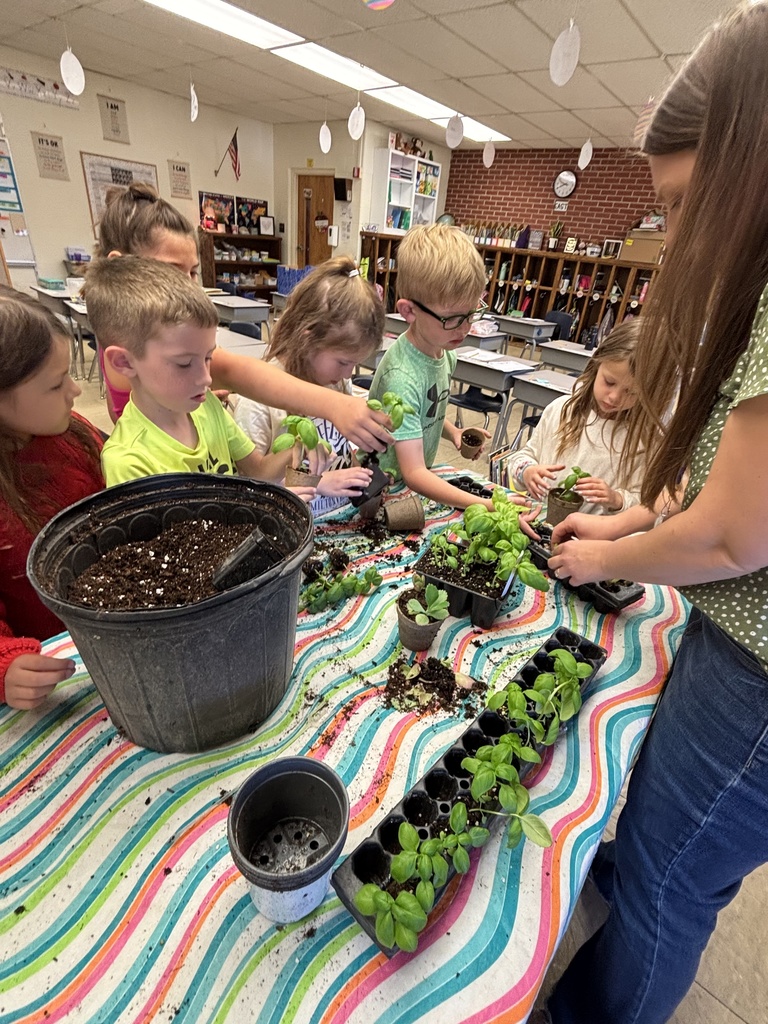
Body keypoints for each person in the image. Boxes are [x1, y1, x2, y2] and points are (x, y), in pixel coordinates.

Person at [543, 4, 768, 1022]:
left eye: (681, 205)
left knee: (669, 886)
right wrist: (627, 526)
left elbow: (730, 534)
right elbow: (720, 486)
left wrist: (602, 559)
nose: (672, 238)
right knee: (656, 849)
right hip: (738, 656)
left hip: (757, 682)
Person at [93, 183, 391, 454]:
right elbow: (243, 373)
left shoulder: (139, 337)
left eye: (193, 272)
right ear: (120, 268)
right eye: (171, 271)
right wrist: (336, 405)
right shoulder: (132, 344)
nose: (188, 286)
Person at [84, 255, 306, 492]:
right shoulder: (129, 462)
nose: (206, 378)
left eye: (208, 357)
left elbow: (259, 471)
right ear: (124, 362)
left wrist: (301, 445)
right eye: (184, 363)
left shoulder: (207, 406)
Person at [369, 223, 525, 511]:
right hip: (383, 489)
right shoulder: (401, 377)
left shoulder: (443, 351)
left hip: (409, 484)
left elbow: (426, 412)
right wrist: (485, 505)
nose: (465, 328)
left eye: (472, 313)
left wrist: (453, 432)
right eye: (452, 318)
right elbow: (415, 474)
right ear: (409, 311)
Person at [0, 288, 104, 709]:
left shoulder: (75, 434)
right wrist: (6, 668)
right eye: (57, 383)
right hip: (58, 668)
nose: (75, 390)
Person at [233, 256, 383, 515]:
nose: (348, 374)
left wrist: (364, 477)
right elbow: (251, 486)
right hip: (293, 522)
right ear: (308, 338)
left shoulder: (338, 384)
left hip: (337, 516)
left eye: (355, 364)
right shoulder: (258, 400)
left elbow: (341, 450)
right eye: (343, 362)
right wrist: (317, 482)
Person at [504, 319, 649, 514]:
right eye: (609, 382)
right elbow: (524, 455)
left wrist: (617, 499)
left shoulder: (643, 438)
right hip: (537, 520)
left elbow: (645, 505)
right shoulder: (561, 409)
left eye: (631, 392)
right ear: (596, 366)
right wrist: (527, 471)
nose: (614, 397)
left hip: (594, 531)